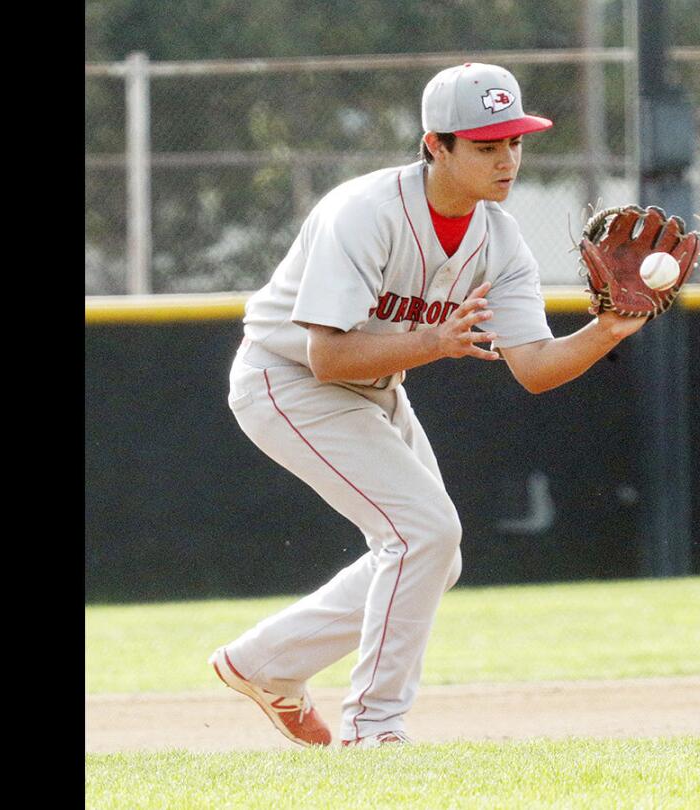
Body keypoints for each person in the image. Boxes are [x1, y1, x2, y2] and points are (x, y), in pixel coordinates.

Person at [210, 62, 651, 748]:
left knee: (433, 555)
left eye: (515, 142)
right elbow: (326, 355)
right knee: (423, 534)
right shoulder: (363, 213)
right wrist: (431, 341)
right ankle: (375, 728)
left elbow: (533, 367)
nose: (507, 160)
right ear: (435, 144)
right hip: (287, 379)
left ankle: (264, 664)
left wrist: (609, 329)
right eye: (485, 145)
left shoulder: (500, 239)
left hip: (375, 388)